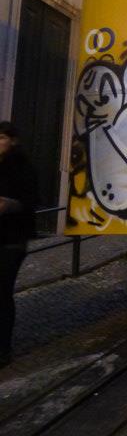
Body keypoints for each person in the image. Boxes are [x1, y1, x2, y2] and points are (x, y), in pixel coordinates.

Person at [0, 122, 37, 367]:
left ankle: (3, 350)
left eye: (1, 137)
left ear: (13, 140)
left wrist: (8, 205)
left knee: (2, 293)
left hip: (11, 240)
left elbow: (31, 200)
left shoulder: (22, 167)